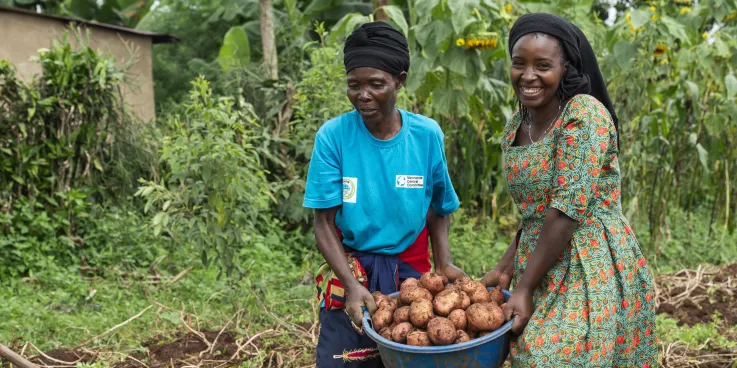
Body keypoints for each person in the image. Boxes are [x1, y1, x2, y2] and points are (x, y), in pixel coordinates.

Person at [480, 13, 658, 367]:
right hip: (540, 256)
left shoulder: (583, 114)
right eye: (519, 64)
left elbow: (565, 210)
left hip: (588, 258)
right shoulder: (518, 123)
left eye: (542, 65)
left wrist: (524, 288)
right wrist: (506, 267)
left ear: (565, 68)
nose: (528, 76)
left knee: (549, 357)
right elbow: (536, 212)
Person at [303, 21, 466, 367]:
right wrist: (350, 286)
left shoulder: (426, 136)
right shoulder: (333, 137)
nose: (363, 95)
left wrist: (444, 262)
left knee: (416, 355)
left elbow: (439, 207)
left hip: (412, 274)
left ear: (400, 80)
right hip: (352, 270)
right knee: (343, 360)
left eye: (376, 84)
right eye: (354, 85)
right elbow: (323, 222)